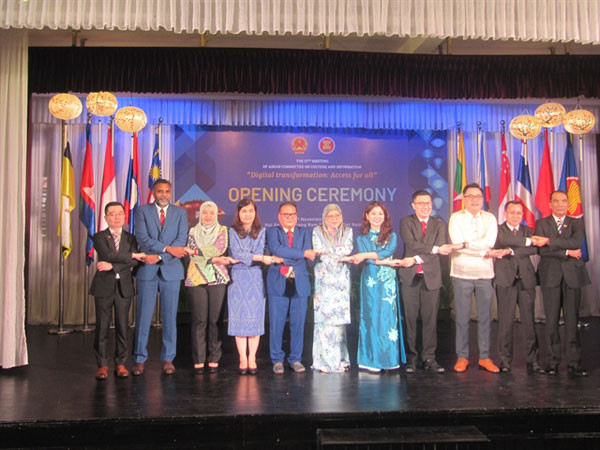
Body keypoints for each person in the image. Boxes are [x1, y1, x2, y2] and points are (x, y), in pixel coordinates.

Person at [132, 179, 188, 376]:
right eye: (160, 191)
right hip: (147, 271)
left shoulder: (180, 213)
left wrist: (160, 256)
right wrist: (166, 249)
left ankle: (168, 358)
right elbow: (142, 238)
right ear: (153, 192)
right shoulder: (142, 211)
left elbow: (181, 241)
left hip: (171, 271)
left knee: (170, 317)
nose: (163, 195)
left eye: (166, 191)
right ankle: (139, 359)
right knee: (143, 317)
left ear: (170, 193)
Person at [397, 190, 457, 374]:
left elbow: (438, 250)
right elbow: (412, 244)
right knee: (410, 320)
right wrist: (435, 249)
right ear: (413, 205)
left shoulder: (439, 224)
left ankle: (429, 358)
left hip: (431, 277)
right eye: (421, 203)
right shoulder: (406, 222)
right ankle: (411, 358)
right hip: (410, 277)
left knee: (430, 320)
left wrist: (420, 256)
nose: (425, 207)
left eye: (428, 203)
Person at [535, 190, 591, 376]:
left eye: (564, 201)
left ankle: (574, 363)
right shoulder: (541, 223)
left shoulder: (576, 222)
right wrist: (567, 252)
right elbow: (542, 251)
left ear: (568, 204)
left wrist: (549, 241)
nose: (560, 204)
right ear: (550, 204)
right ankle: (552, 362)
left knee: (572, 320)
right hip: (550, 275)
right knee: (551, 321)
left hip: (572, 276)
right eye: (556, 201)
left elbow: (575, 242)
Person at [90, 202, 145, 380]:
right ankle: (102, 365)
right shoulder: (99, 236)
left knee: (123, 327)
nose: (117, 217)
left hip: (124, 287)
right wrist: (131, 256)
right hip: (103, 287)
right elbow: (108, 255)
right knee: (102, 327)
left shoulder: (131, 238)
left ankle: (121, 363)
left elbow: (135, 262)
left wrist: (113, 266)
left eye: (120, 213)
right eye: (112, 214)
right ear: (106, 217)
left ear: (124, 216)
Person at [448, 183, 499, 373]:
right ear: (464, 198)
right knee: (462, 317)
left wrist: (466, 245)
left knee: (485, 317)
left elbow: (490, 242)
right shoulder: (455, 218)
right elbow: (456, 243)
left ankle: (484, 357)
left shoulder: (490, 218)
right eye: (470, 196)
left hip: (485, 273)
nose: (475, 200)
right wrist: (482, 251)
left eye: (478, 196)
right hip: (461, 273)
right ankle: (462, 356)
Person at [350, 201, 406, 373]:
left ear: (385, 216)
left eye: (380, 214)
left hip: (387, 281)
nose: (377, 217)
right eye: (373, 213)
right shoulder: (361, 238)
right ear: (367, 216)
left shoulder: (392, 235)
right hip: (370, 280)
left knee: (387, 318)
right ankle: (370, 359)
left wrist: (365, 255)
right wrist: (386, 261)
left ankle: (389, 359)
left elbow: (387, 252)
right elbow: (369, 261)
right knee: (371, 317)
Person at [228, 199, 281, 374]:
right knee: (239, 318)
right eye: (244, 211)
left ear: (255, 213)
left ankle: (252, 358)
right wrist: (258, 258)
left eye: (251, 211)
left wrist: (253, 257)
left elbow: (257, 252)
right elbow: (237, 253)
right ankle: (242, 358)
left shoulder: (262, 231)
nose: (247, 214)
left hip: (256, 277)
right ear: (238, 213)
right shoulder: (232, 231)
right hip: (237, 276)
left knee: (255, 319)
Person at [494, 201, 548, 374]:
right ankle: (505, 360)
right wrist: (526, 243)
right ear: (505, 214)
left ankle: (533, 360)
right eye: (512, 212)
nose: (516, 216)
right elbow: (503, 240)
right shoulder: (498, 230)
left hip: (526, 280)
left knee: (529, 322)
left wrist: (511, 251)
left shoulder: (528, 230)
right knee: (505, 323)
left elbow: (535, 250)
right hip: (506, 280)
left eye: (519, 213)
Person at [266, 202, 319, 374]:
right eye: (285, 214)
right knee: (276, 324)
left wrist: (282, 259)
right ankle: (277, 360)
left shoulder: (304, 233)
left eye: (292, 214)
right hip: (278, 283)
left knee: (298, 325)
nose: (289, 217)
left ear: (297, 216)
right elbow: (277, 249)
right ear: (279, 216)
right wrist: (301, 254)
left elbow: (306, 256)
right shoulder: (272, 232)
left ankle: (295, 358)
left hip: (299, 283)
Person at [184, 201, 236, 374]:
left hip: (217, 278)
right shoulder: (193, 231)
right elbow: (194, 257)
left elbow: (218, 249)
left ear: (216, 215)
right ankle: (199, 359)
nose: (207, 216)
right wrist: (213, 259)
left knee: (215, 319)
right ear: (200, 214)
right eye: (204, 213)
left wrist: (198, 252)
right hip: (196, 278)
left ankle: (214, 357)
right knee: (199, 320)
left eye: (211, 213)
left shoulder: (223, 231)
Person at [311, 204, 353, 373]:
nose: (334, 219)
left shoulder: (348, 231)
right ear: (324, 217)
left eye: (337, 215)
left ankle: (341, 359)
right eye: (330, 216)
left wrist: (330, 252)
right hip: (324, 279)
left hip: (341, 279)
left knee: (339, 321)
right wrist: (335, 255)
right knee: (325, 321)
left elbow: (348, 249)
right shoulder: (317, 231)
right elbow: (319, 251)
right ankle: (325, 361)